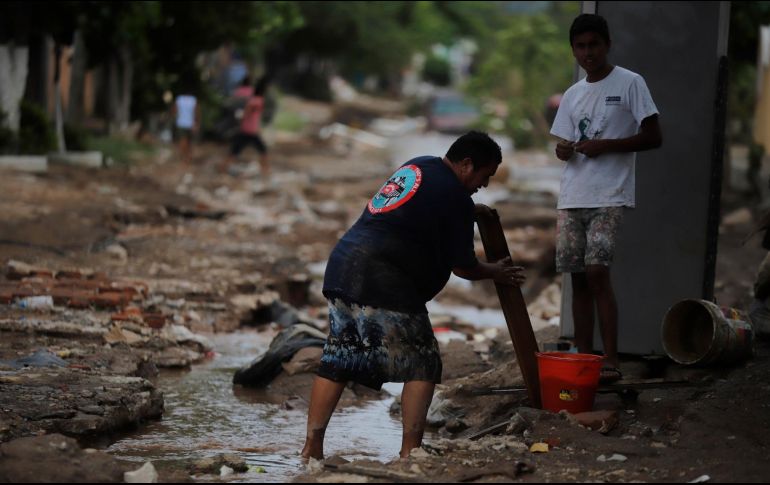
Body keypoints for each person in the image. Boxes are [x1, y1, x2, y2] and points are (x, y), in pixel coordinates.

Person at [300, 131, 526, 461]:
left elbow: (422, 209)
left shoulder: (418, 166)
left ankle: (311, 449)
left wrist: (465, 209)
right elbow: (464, 266)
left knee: (338, 358)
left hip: (344, 266)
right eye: (485, 175)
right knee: (423, 363)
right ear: (466, 164)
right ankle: (411, 453)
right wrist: (497, 271)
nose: (485, 184)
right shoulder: (456, 199)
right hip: (383, 277)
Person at [550, 13, 662, 383]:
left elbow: (653, 136)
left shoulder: (630, 83)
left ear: (607, 44)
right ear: (573, 50)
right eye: (580, 47)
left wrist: (606, 146)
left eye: (593, 45)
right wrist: (565, 151)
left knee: (598, 271)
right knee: (578, 277)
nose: (587, 53)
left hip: (610, 194)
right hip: (572, 196)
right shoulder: (573, 94)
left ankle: (610, 358)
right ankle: (583, 358)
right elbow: (563, 144)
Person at [219, 75, 270, 177]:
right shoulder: (258, 101)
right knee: (263, 151)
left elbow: (245, 114)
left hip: (245, 129)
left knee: (234, 151)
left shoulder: (252, 100)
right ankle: (266, 172)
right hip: (251, 131)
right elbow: (250, 113)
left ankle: (223, 168)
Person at [171, 90, 201, 165]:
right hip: (190, 124)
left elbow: (174, 110)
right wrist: (197, 123)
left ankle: (184, 157)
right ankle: (187, 157)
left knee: (183, 140)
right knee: (189, 141)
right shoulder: (193, 100)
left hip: (181, 123)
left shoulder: (179, 99)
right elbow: (197, 112)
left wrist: (175, 117)